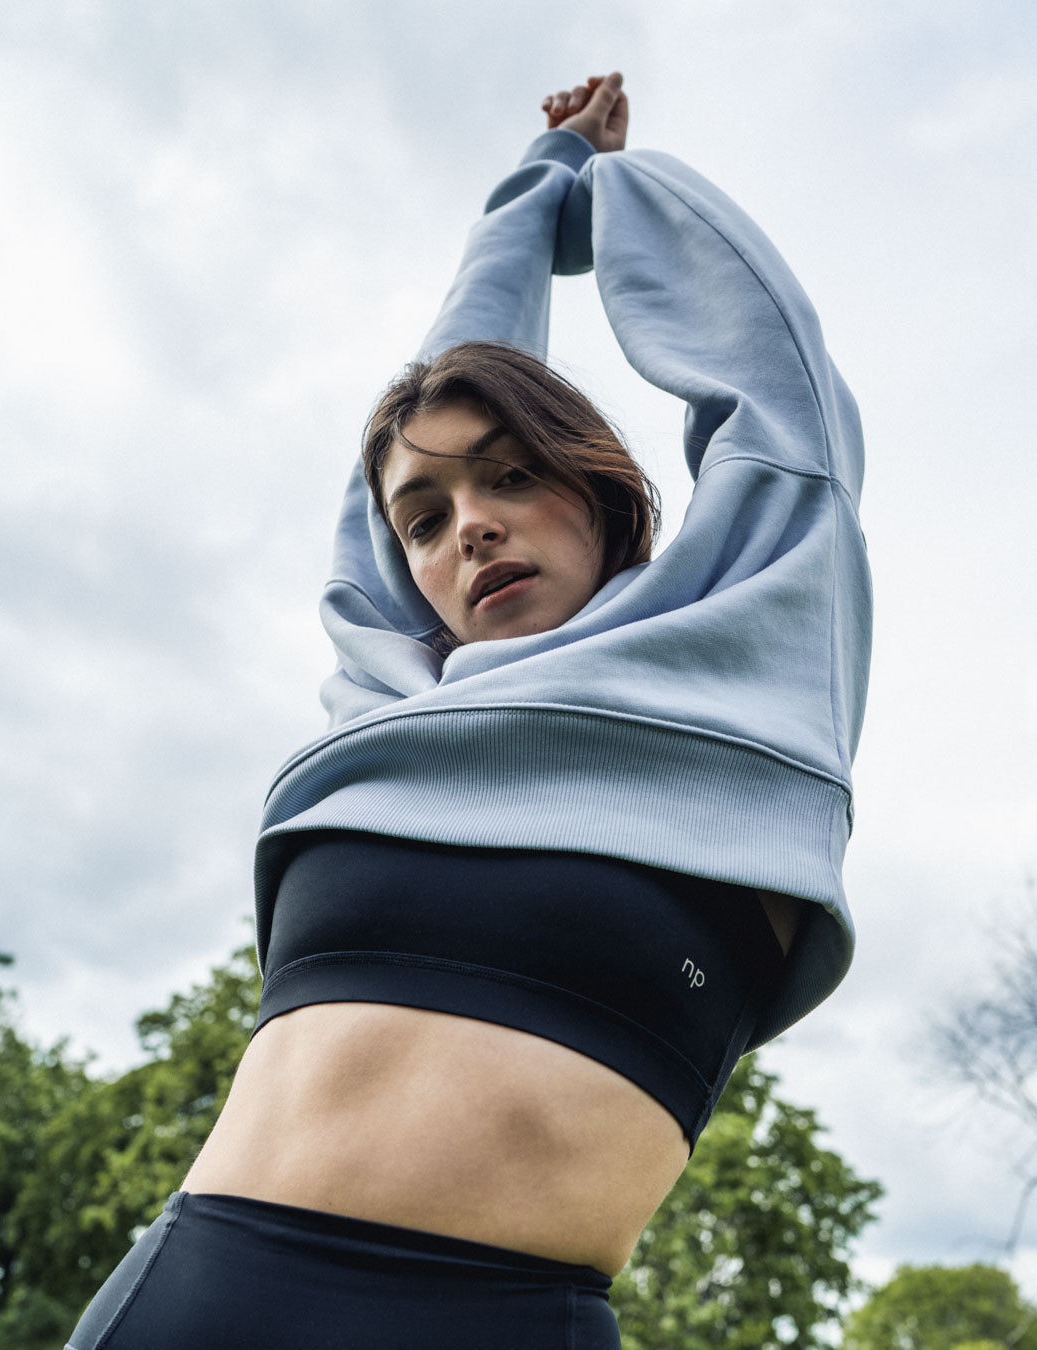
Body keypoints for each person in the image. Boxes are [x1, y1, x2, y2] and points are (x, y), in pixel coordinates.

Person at [66, 70, 871, 1350]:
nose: (469, 527)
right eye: (424, 520)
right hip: (204, 1288)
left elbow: (781, 398)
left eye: (512, 477)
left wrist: (606, 184)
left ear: (602, 493)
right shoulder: (390, 694)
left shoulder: (746, 664)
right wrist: (532, 180)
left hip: (504, 1317)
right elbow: (422, 419)